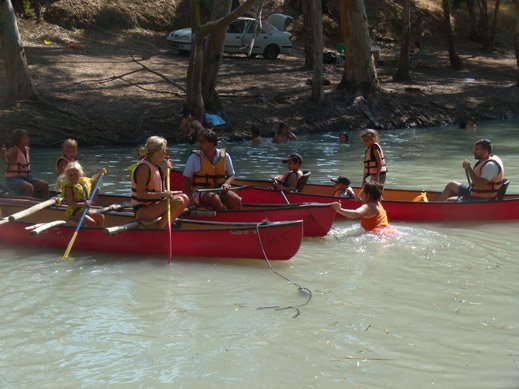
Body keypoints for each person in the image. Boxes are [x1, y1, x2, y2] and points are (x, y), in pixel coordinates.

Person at [131, 136, 189, 229]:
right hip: (143, 211)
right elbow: (141, 195)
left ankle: (164, 224)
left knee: (185, 197)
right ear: (158, 151)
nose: (166, 153)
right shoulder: (144, 168)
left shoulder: (156, 166)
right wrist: (165, 194)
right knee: (179, 201)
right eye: (164, 150)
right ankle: (160, 229)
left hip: (154, 207)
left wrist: (165, 173)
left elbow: (157, 188)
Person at [183, 129, 242, 211]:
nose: (199, 144)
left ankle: (237, 221)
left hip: (220, 189)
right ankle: (224, 218)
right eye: (199, 141)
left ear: (212, 143)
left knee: (236, 200)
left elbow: (232, 175)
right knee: (215, 199)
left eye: (203, 142)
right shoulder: (194, 158)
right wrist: (190, 200)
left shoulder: (224, 155)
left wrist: (226, 183)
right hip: (201, 192)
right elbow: (186, 180)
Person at [438, 138, 504, 202]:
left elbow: (480, 185)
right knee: (451, 185)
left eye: (477, 149)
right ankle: (436, 207)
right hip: (476, 193)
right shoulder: (485, 160)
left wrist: (469, 169)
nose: (474, 151)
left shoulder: (490, 166)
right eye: (474, 149)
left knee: (450, 200)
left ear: (485, 151)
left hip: (484, 199)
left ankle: (437, 210)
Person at [2, 129, 49, 199]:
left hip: (27, 177)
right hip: (13, 179)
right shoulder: (13, 150)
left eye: (27, 137)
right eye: (24, 138)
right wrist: (3, 154)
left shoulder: (27, 149)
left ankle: (45, 203)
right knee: (29, 187)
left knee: (44, 184)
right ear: (18, 140)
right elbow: (6, 157)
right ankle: (27, 205)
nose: (27, 139)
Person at [59, 161, 105, 227]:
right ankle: (91, 236)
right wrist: (84, 204)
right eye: (70, 175)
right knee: (91, 223)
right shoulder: (69, 187)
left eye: (75, 174)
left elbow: (93, 183)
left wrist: (100, 174)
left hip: (84, 210)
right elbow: (71, 203)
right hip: (75, 213)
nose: (73, 177)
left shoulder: (84, 181)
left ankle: (99, 234)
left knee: (101, 217)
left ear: (80, 173)